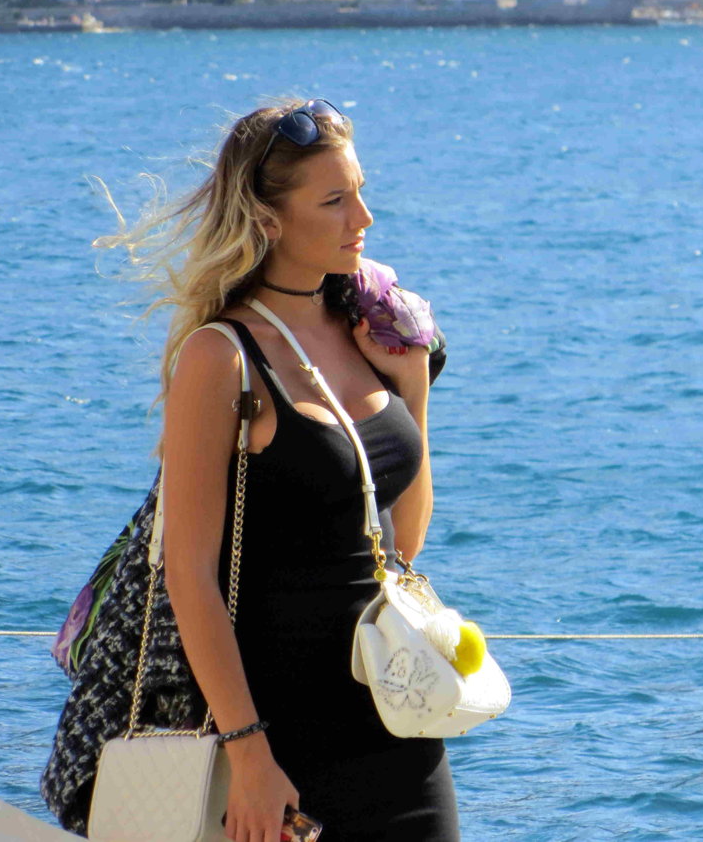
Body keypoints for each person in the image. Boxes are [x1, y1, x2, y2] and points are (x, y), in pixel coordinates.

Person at [114, 99, 458, 841]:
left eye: (360, 191)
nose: (363, 217)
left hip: (398, 719)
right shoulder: (221, 356)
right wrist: (249, 754)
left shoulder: (362, 330)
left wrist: (412, 385)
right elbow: (189, 575)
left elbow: (403, 545)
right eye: (334, 201)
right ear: (267, 219)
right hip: (279, 740)